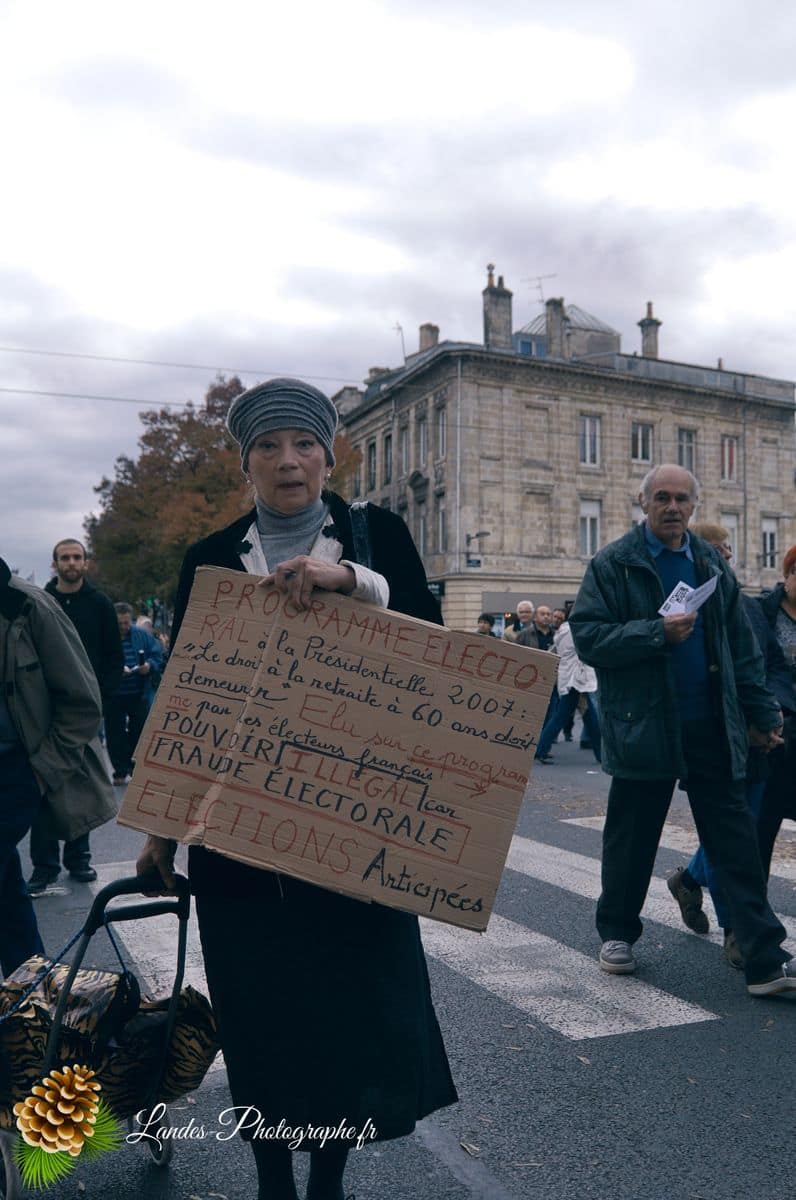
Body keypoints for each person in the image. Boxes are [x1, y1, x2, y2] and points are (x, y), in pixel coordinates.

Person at [136, 377, 457, 1200]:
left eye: (304, 444)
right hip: (239, 838)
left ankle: (328, 1177)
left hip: (357, 827)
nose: (289, 462)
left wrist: (354, 583)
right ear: (246, 462)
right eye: (269, 447)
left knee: (348, 1012)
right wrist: (160, 833)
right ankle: (272, 1173)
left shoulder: (378, 536)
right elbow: (185, 697)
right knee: (261, 1016)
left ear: (328, 454)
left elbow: (433, 644)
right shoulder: (210, 557)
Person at [570, 463, 796, 996]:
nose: (673, 508)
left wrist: (762, 715)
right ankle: (618, 933)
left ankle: (764, 957)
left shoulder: (707, 563)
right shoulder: (614, 564)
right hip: (644, 725)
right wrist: (656, 633)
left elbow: (743, 650)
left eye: (683, 500)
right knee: (632, 835)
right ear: (643, 503)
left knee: (735, 841)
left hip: (712, 725)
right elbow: (589, 638)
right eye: (663, 498)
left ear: (695, 506)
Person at [666, 524, 796, 968]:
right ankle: (735, 930)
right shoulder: (680, 608)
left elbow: (768, 667)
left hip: (760, 739)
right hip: (711, 739)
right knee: (735, 836)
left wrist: (772, 714)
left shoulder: (749, 608)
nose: (723, 558)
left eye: (727, 551)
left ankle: (690, 879)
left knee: (746, 831)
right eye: (713, 550)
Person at [0, 558, 115, 977]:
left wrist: (40, 772)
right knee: (9, 895)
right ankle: (32, 991)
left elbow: (83, 703)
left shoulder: (31, 607)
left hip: (15, 770)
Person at [26, 539, 123, 894]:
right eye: (65, 557)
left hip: (85, 710)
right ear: (55, 563)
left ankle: (78, 859)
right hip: (44, 711)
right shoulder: (39, 603)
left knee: (80, 784)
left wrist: (103, 698)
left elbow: (113, 655)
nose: (71, 562)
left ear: (85, 563)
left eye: (76, 557)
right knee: (44, 783)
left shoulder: (99, 605)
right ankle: (44, 865)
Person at [756, 543, 796, 882]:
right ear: (787, 574)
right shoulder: (762, 612)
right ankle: (694, 877)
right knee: (763, 821)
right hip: (775, 728)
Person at [534, 601, 601, 765]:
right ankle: (541, 749)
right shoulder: (574, 630)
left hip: (573, 678)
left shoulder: (564, 629)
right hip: (576, 679)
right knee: (566, 716)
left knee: (587, 716)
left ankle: (601, 754)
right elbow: (584, 650)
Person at [105, 603, 164, 785]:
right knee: (115, 732)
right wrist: (114, 670)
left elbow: (157, 655)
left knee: (138, 729)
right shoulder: (105, 636)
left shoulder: (142, 635)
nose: (123, 626)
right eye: (119, 623)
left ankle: (133, 764)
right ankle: (120, 770)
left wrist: (149, 666)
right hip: (114, 693)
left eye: (125, 622)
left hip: (138, 691)